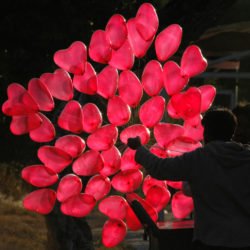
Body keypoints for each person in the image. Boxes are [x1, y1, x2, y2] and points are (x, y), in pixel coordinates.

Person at [127, 107, 250, 250]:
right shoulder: (245, 157)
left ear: (207, 132)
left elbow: (160, 168)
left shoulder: (199, 159)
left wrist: (139, 148)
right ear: (232, 131)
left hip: (210, 240)